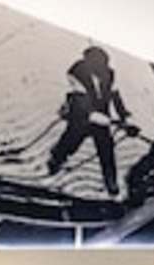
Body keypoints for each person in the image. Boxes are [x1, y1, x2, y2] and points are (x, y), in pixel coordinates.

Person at [48, 46, 130, 196]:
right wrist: (113, 122)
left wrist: (124, 117)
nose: (103, 70)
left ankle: (110, 180)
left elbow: (115, 95)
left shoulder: (110, 73)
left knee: (106, 149)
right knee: (70, 141)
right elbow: (86, 109)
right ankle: (56, 159)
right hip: (81, 115)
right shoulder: (76, 73)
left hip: (102, 114)